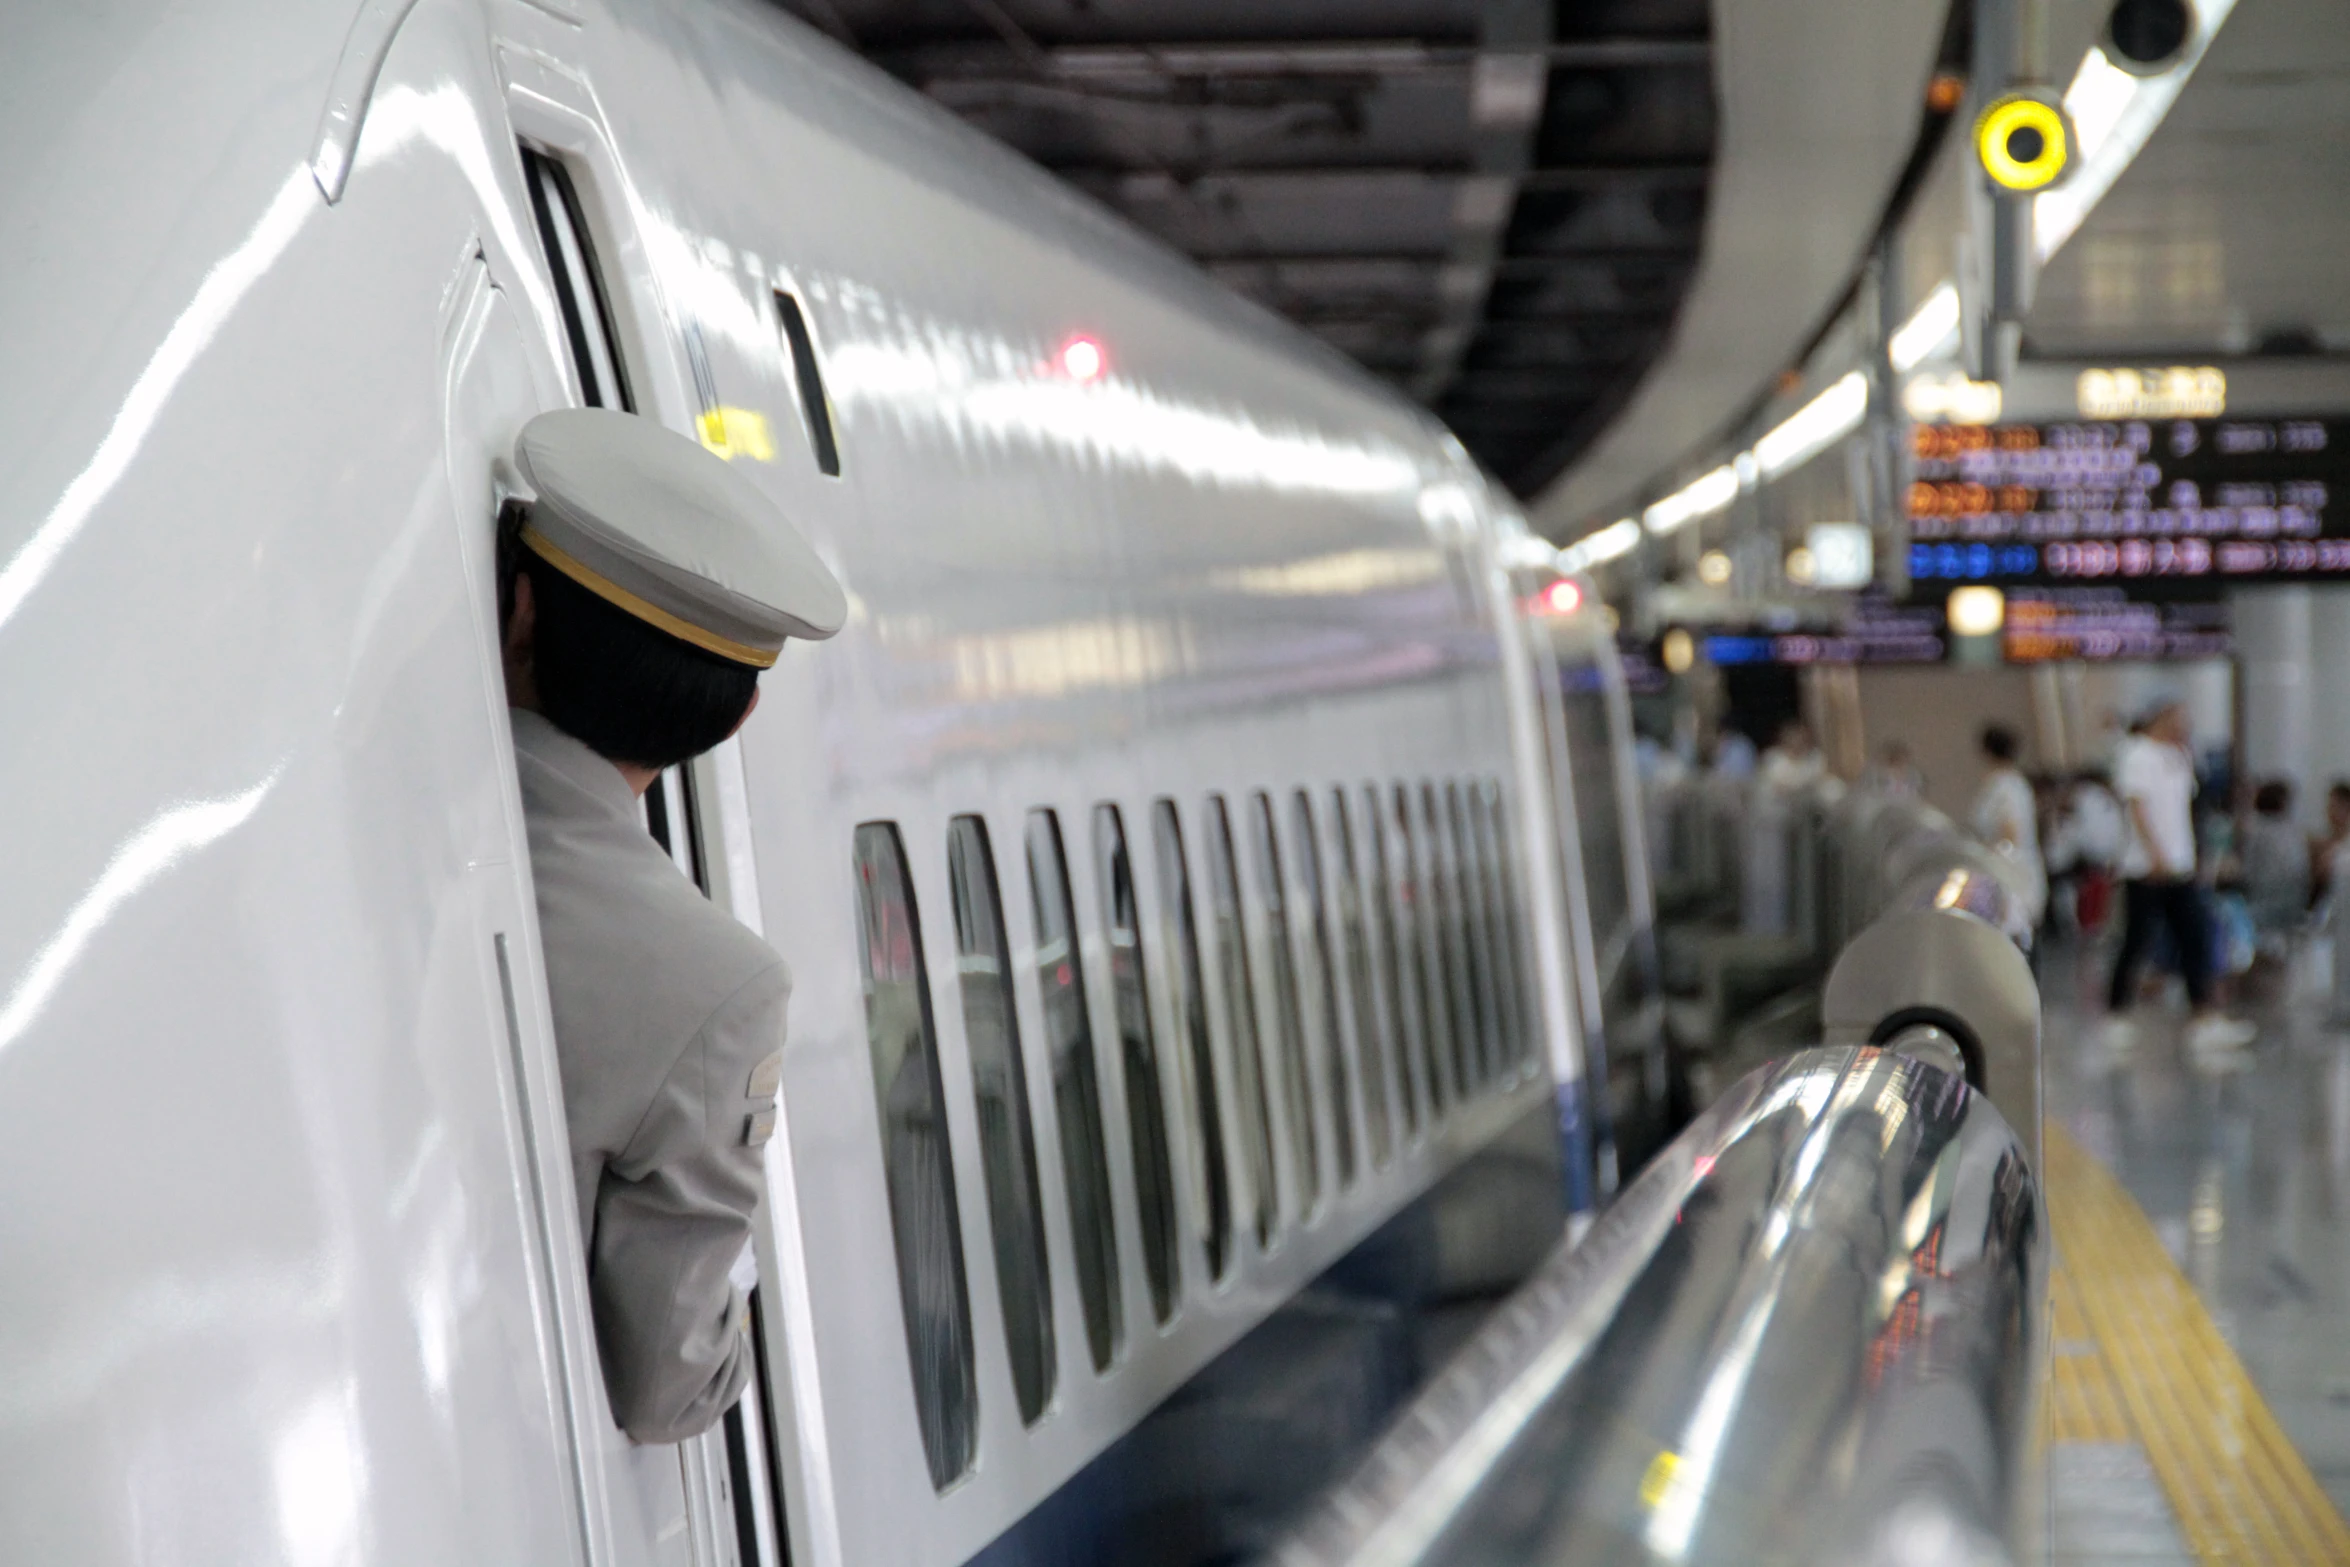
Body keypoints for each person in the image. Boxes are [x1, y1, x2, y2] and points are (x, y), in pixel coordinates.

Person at [497, 407, 846, 1442]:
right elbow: (671, 1382)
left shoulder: (370, 813)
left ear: (518, 613)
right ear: (734, 718)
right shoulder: (715, 984)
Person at [2105, 701, 2255, 1054]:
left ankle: (2204, 1017)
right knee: (2137, 939)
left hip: (2181, 865)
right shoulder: (2136, 754)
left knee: (2195, 937)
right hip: (2147, 867)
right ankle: (2116, 1013)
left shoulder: (2180, 758)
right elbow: (2138, 807)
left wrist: (2195, 858)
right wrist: (2154, 852)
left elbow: (2187, 812)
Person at [1969, 724, 2046, 923]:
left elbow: (2010, 832)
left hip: (2010, 873)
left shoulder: (2003, 786)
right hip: (2014, 869)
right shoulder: (2015, 782)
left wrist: (1998, 864)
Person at [2238, 779, 2308, 960]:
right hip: (2296, 901)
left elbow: (2248, 872)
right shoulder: (2294, 830)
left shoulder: (2256, 829)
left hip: (2265, 902)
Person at [1756, 718, 1825, 793]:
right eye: (1793, 739)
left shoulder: (1814, 757)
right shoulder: (1772, 758)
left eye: (1801, 740)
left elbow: (1821, 780)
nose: (1797, 742)